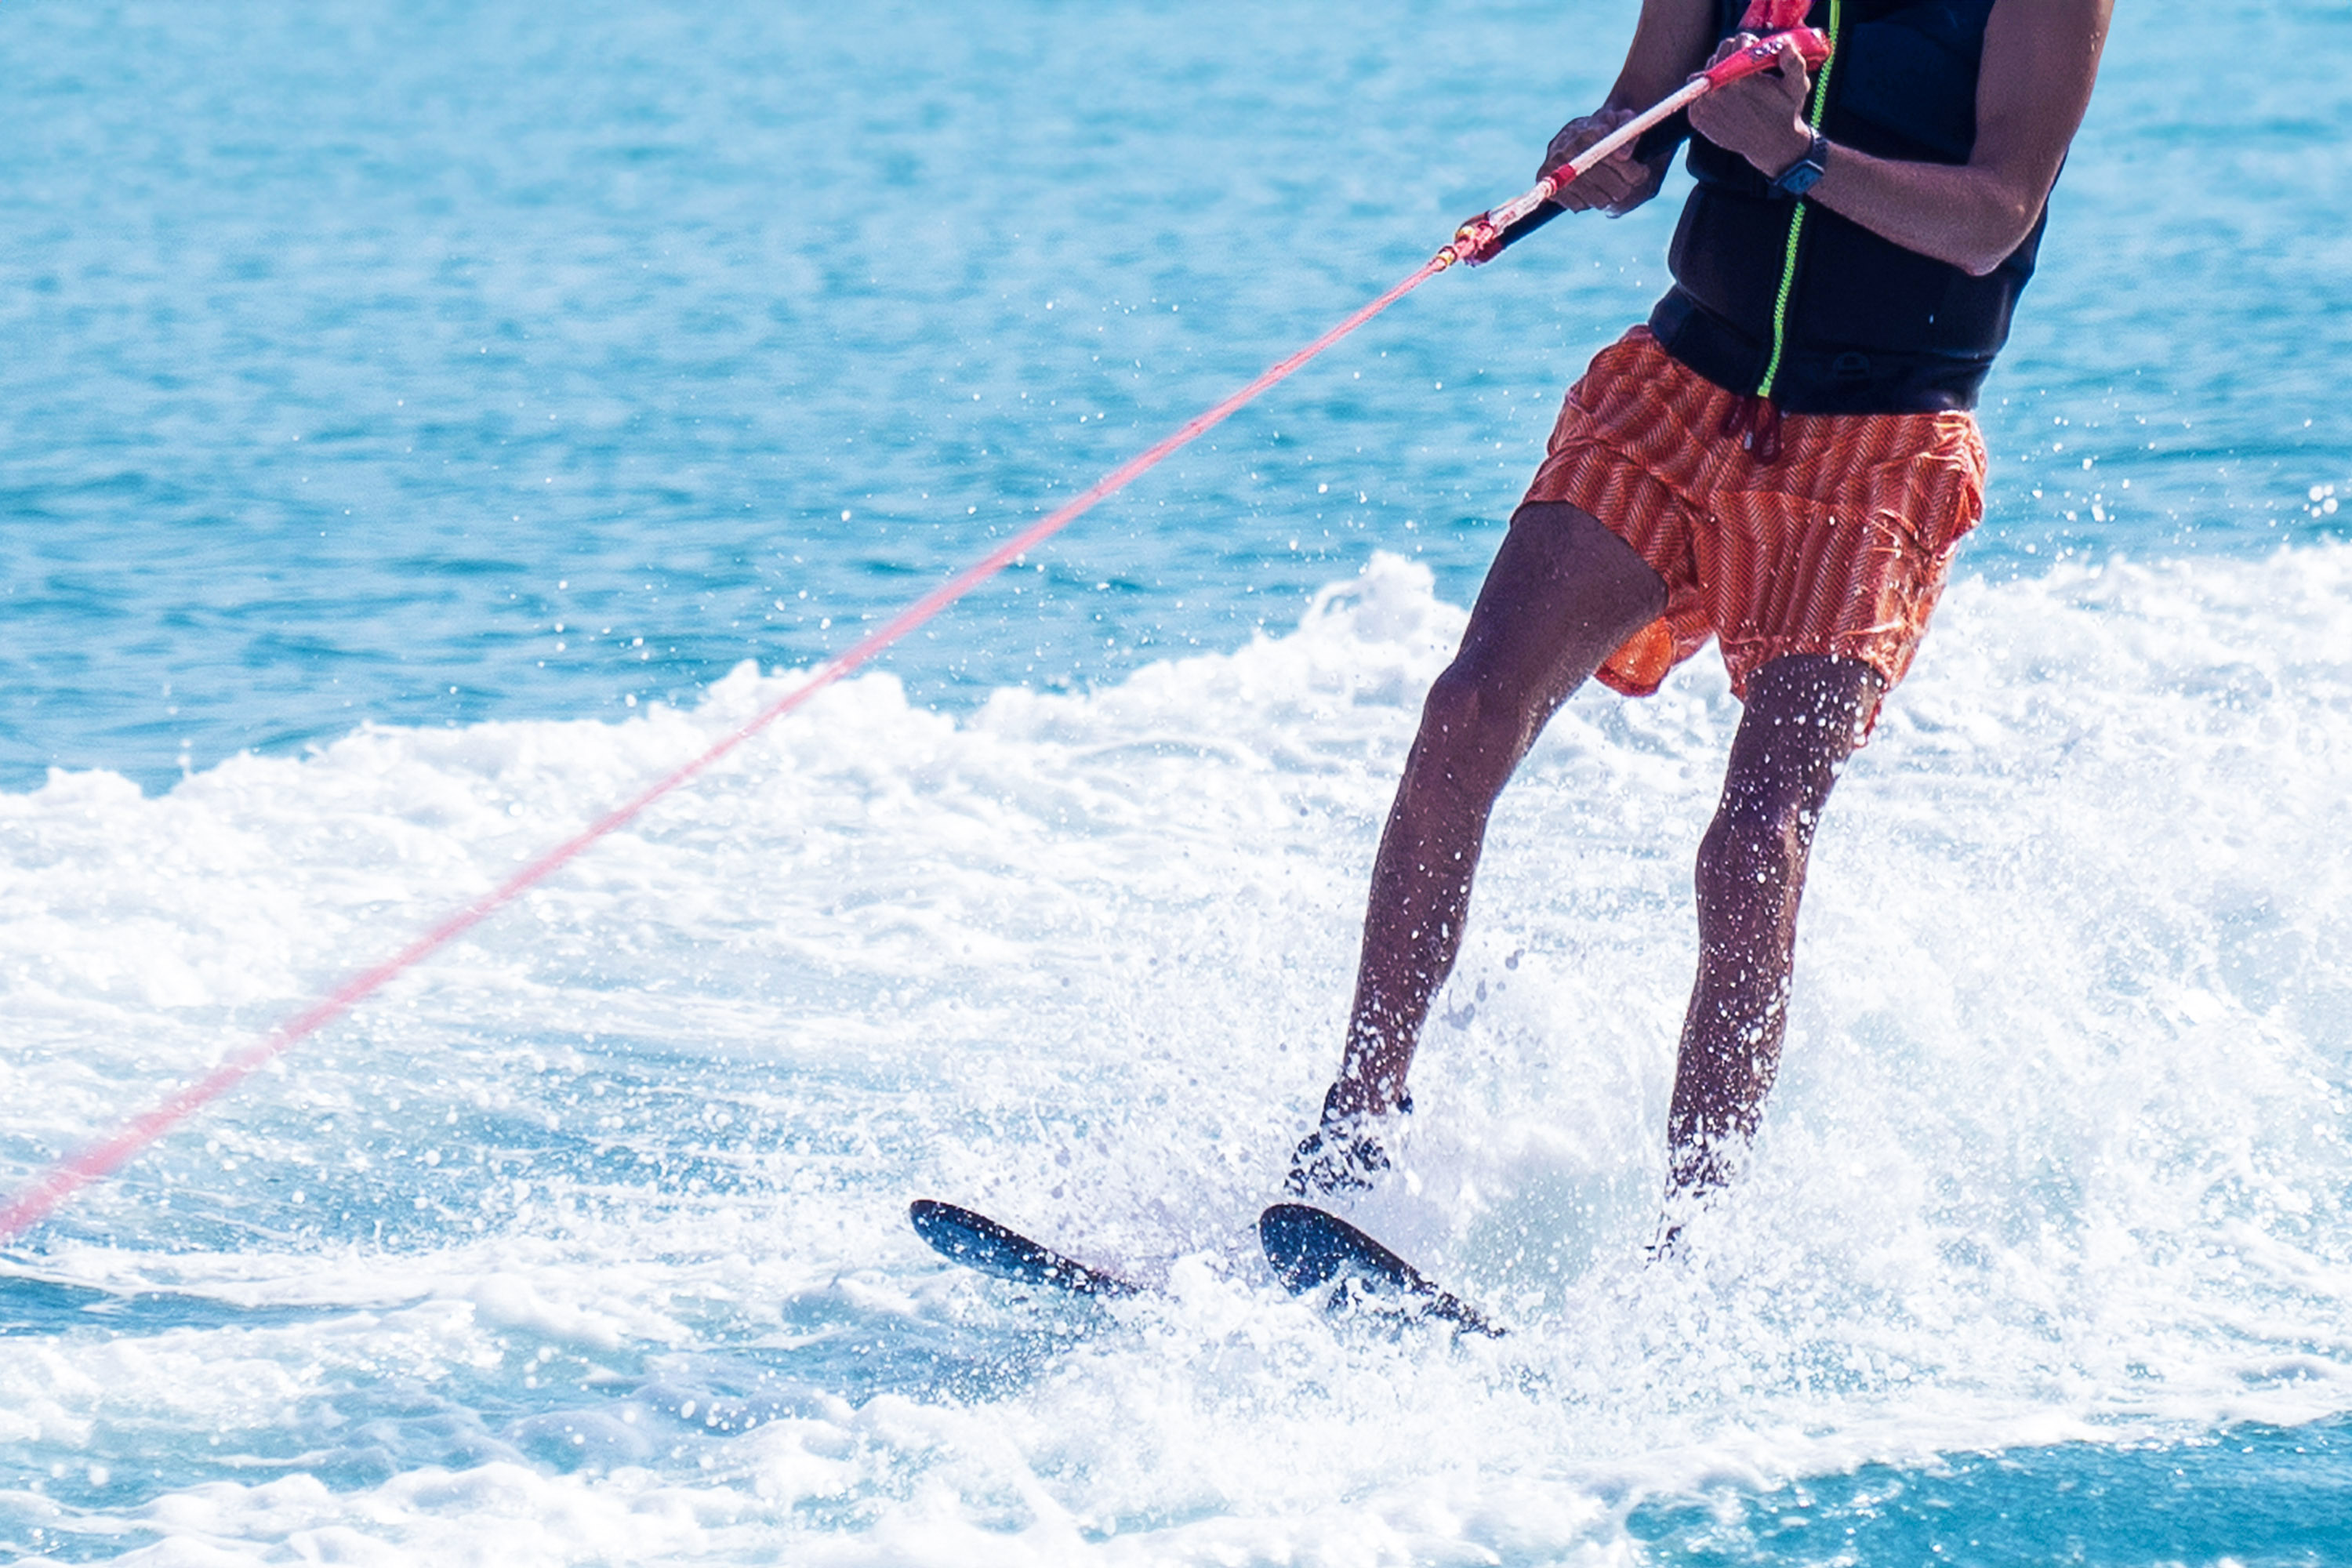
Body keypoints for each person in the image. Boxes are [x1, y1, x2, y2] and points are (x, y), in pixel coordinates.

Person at [1285, 0, 2112, 1214]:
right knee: (1467, 710)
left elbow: (1994, 220)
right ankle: (1347, 1146)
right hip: (1686, 381)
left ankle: (1691, 1251)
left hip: (1884, 443)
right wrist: (1601, 155)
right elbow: (1638, 127)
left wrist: (1797, 156)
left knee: (1752, 841)